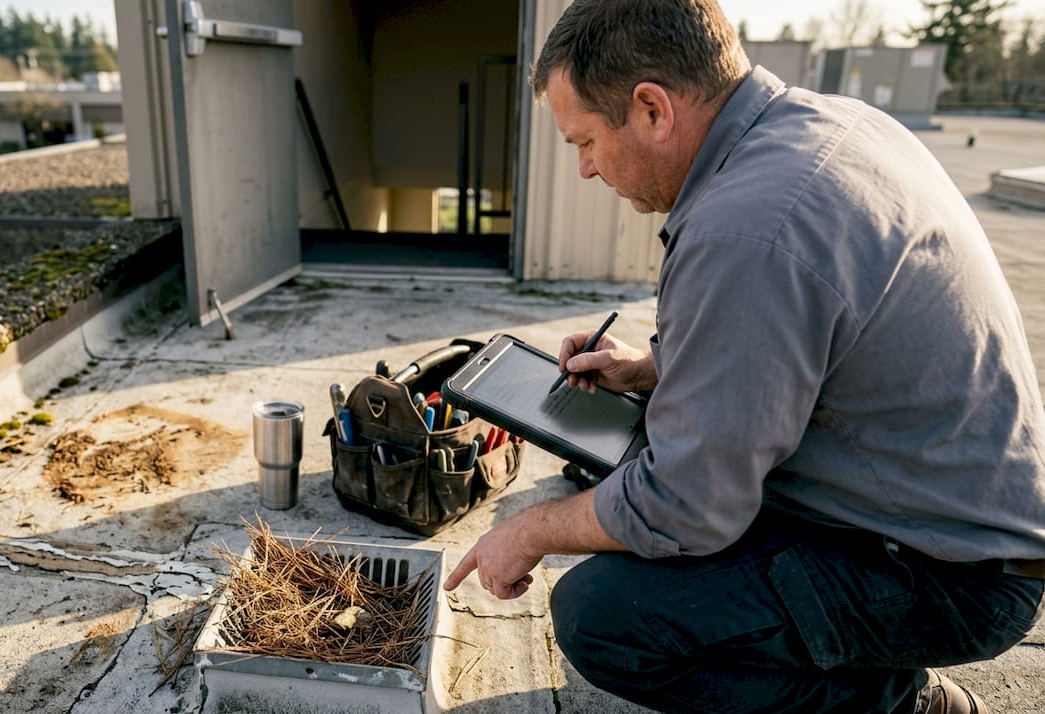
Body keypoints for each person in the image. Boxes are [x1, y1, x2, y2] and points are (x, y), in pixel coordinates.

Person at [441, 0, 1045, 712]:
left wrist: (529, 531)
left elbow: (685, 508)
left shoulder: (746, 227)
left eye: (586, 142)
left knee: (604, 615)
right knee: (635, 465)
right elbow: (809, 334)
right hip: (953, 519)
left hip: (950, 578)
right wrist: (654, 366)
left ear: (652, 110)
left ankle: (899, 704)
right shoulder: (829, 127)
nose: (585, 170)